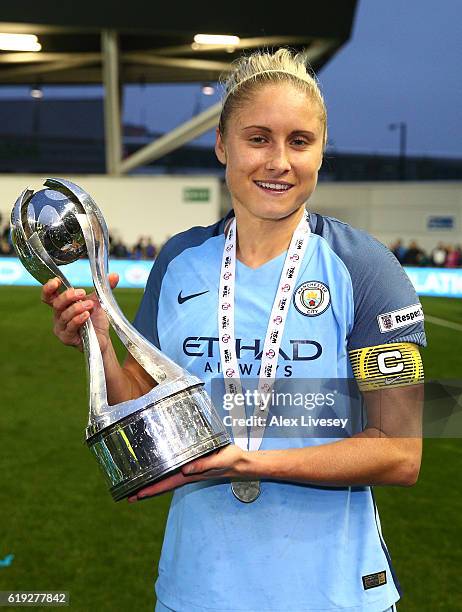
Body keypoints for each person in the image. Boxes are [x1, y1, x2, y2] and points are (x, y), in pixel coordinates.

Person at [41, 49, 425, 612]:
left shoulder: (365, 269)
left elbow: (400, 451)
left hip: (331, 593)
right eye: (258, 138)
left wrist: (249, 462)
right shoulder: (179, 261)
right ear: (223, 145)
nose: (279, 162)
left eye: (300, 141)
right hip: (196, 588)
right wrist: (99, 341)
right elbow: (140, 405)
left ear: (321, 152)